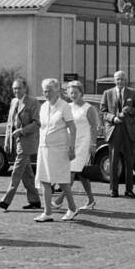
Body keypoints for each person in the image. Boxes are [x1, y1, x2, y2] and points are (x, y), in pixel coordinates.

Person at [34, 79, 79, 222]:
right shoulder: (43, 107)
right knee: (44, 180)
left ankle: (72, 208)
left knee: (62, 180)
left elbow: (72, 128)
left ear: (57, 91)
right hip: (44, 148)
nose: (46, 94)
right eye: (44, 91)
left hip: (59, 149)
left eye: (49, 91)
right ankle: (47, 212)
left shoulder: (64, 106)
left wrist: (72, 148)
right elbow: (42, 127)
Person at [0, 76, 41, 211]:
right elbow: (10, 124)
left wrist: (22, 131)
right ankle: (35, 201)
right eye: (14, 88)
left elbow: (37, 123)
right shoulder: (14, 101)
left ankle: (6, 200)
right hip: (17, 142)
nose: (16, 91)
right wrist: (7, 141)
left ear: (25, 88)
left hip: (27, 142)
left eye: (19, 88)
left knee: (16, 172)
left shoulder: (33, 102)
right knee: (27, 174)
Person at [55, 80, 100, 211]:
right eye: (71, 93)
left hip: (84, 144)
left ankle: (59, 200)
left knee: (72, 171)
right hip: (71, 143)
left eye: (75, 92)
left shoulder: (88, 108)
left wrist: (93, 144)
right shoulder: (67, 107)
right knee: (81, 173)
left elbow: (94, 127)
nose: (73, 95)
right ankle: (91, 200)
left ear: (81, 93)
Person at [101, 70, 135, 199]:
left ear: (126, 80)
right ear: (114, 80)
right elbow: (103, 112)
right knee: (113, 160)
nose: (120, 81)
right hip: (114, 130)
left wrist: (130, 110)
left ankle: (129, 189)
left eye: (122, 79)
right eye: (118, 79)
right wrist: (113, 118)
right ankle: (114, 189)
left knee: (129, 161)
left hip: (128, 130)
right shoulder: (107, 94)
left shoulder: (133, 93)